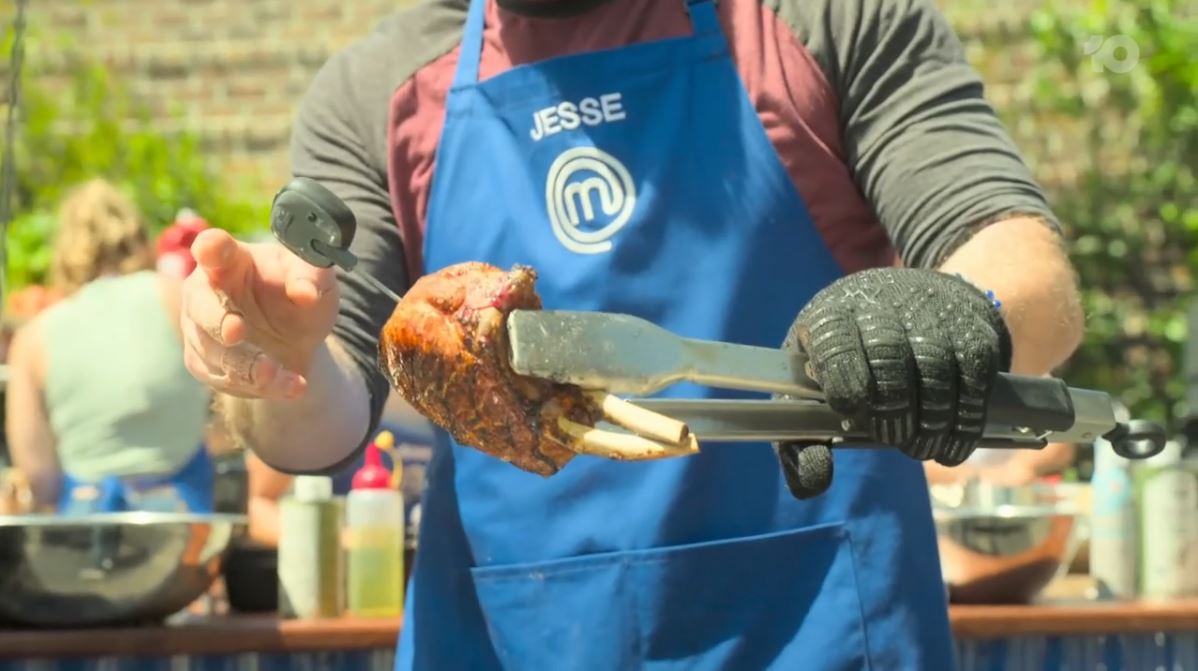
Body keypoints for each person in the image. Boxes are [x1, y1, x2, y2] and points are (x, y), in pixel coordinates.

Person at [180, 0, 1085, 668]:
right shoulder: (378, 90)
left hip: (821, 630)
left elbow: (1025, 274)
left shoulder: (820, 22)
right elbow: (325, 419)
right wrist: (276, 360)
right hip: (511, 635)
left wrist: (964, 313)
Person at [6, 179, 214, 513]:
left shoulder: (33, 337)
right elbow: (227, 401)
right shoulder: (177, 297)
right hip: (180, 509)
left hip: (87, 512)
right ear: (138, 237)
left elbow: (37, 470)